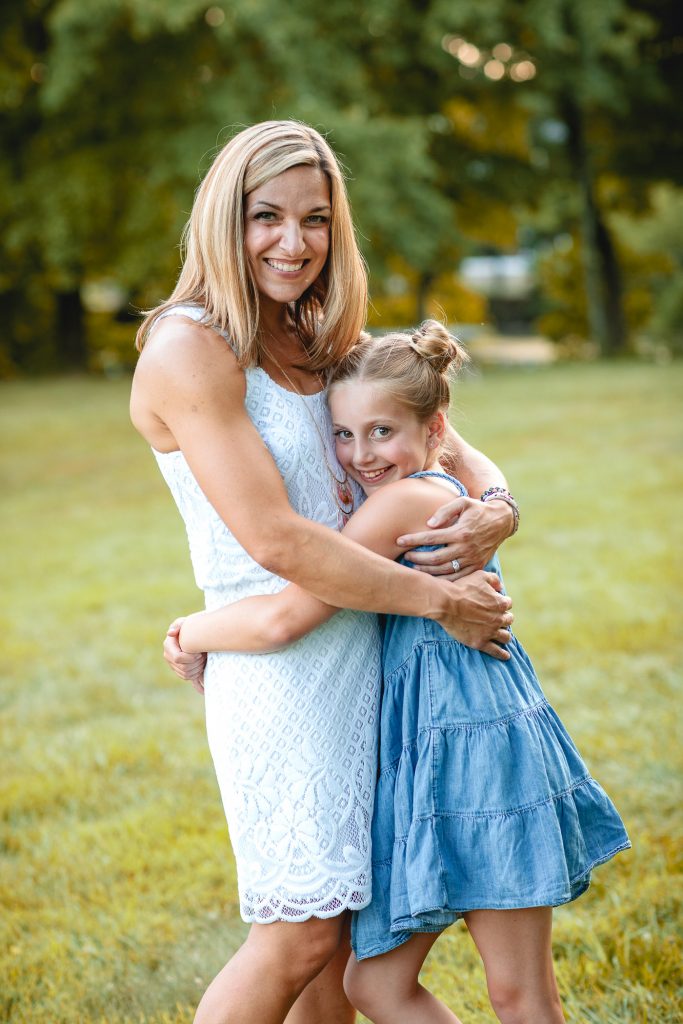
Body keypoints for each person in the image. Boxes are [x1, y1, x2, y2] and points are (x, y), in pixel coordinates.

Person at [130, 120, 516, 1024]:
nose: (292, 244)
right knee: (298, 935)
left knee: (337, 940)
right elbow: (277, 540)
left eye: (314, 220)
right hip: (281, 670)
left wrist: (500, 509)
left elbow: (451, 448)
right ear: (225, 220)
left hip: (366, 661)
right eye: (266, 217)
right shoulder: (189, 347)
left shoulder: (316, 335)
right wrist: (442, 601)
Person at [175, 322, 631, 1024]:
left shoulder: (403, 505)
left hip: (480, 752)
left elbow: (290, 616)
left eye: (382, 431)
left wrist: (191, 630)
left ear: (434, 428)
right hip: (427, 755)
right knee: (375, 987)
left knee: (518, 995)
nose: (360, 455)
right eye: (344, 434)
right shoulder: (402, 492)